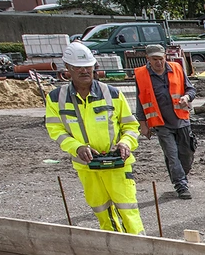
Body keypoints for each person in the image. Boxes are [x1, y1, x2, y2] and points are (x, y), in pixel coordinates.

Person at [45, 42, 144, 233]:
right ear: (68, 68)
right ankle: (110, 249)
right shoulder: (57, 98)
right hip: (87, 166)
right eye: (78, 67)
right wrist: (77, 147)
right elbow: (55, 129)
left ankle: (140, 249)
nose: (84, 71)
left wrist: (125, 143)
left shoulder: (112, 94)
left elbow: (131, 126)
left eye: (88, 67)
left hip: (117, 163)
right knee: (101, 210)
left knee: (128, 211)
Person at [135, 45, 197, 199]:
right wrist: (143, 124)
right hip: (161, 124)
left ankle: (179, 174)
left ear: (165, 57)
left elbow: (191, 90)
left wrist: (187, 98)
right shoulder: (141, 75)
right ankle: (181, 186)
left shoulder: (176, 68)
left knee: (186, 155)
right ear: (148, 59)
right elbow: (140, 101)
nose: (158, 62)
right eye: (155, 59)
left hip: (181, 120)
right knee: (172, 155)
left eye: (161, 59)